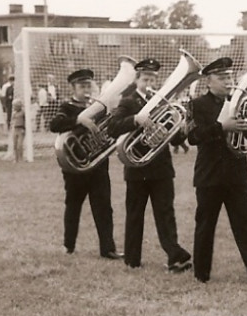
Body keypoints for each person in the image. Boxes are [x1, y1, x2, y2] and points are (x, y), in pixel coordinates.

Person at [186, 57, 247, 286]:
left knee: (245, 223)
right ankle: (201, 272)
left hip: (236, 173)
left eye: (229, 77)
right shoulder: (197, 105)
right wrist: (221, 128)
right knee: (205, 224)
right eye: (222, 77)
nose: (228, 81)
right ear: (208, 81)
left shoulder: (239, 100)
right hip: (209, 175)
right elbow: (193, 137)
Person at [108, 58, 193, 273]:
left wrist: (180, 130)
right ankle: (132, 259)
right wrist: (136, 119)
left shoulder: (162, 101)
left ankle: (175, 257)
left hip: (161, 168)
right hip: (137, 168)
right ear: (137, 80)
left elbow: (173, 139)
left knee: (166, 214)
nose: (149, 83)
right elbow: (112, 127)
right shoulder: (128, 101)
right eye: (145, 78)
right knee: (135, 214)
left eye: (153, 79)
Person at [48, 69, 122, 259]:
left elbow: (110, 129)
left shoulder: (98, 107)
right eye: (82, 86)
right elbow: (54, 125)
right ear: (73, 88)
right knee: (73, 205)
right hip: (75, 168)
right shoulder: (67, 107)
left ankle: (108, 248)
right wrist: (78, 119)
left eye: (88, 85)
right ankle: (68, 245)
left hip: (97, 166)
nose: (86, 89)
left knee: (104, 207)